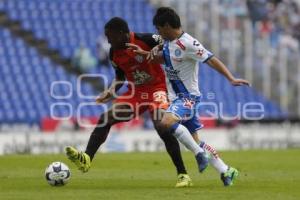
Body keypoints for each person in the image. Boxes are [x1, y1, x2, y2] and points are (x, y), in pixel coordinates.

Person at [65, 17, 208, 188]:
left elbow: (170, 42)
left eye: (110, 36)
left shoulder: (145, 39)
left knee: (161, 125)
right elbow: (120, 76)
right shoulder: (113, 52)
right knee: (106, 117)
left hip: (158, 89)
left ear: (122, 34)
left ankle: (183, 174)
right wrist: (112, 90)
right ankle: (87, 158)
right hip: (137, 92)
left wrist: (151, 51)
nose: (108, 40)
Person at [128, 7, 250, 186]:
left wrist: (230, 78)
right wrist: (145, 54)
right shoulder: (169, 42)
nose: (158, 32)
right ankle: (226, 171)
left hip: (187, 98)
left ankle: (200, 155)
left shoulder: (189, 43)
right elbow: (167, 58)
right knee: (195, 141)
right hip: (176, 98)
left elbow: (211, 59)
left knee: (166, 122)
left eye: (159, 29)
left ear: (167, 26)